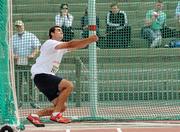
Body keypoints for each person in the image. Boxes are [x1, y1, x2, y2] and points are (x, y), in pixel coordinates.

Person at [26, 25, 98, 127]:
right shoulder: (50, 43)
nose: (61, 32)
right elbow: (70, 43)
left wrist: (90, 41)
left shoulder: (60, 46)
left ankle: (35, 115)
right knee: (69, 85)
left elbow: (76, 46)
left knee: (61, 106)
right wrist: (89, 39)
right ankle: (56, 115)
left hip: (42, 78)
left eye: (62, 31)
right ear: (52, 33)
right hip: (41, 75)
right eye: (58, 30)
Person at [13, 20, 41, 108]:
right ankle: (18, 102)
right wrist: (14, 56)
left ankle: (33, 102)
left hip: (29, 63)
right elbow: (10, 50)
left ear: (23, 26)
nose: (19, 28)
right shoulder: (13, 38)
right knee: (18, 84)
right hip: (17, 64)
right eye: (17, 26)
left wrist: (33, 54)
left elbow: (37, 47)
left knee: (31, 83)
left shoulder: (31, 35)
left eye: (20, 26)